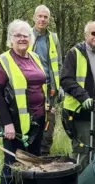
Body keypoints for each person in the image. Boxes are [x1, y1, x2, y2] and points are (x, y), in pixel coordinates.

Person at [0, 19, 47, 184]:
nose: (22, 39)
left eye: (25, 35)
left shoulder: (34, 57)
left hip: (38, 120)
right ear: (11, 39)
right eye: (18, 35)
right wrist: (7, 124)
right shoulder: (5, 61)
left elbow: (41, 84)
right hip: (15, 124)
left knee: (33, 162)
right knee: (11, 166)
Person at [61, 21, 95, 168]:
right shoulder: (75, 53)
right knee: (82, 151)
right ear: (86, 35)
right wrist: (83, 96)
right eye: (94, 33)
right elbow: (65, 80)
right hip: (81, 112)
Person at [29, 5, 63, 156]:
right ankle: (29, 163)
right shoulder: (26, 36)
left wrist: (60, 86)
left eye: (45, 17)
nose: (42, 19)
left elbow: (59, 64)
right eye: (40, 16)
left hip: (50, 90)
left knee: (48, 129)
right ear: (34, 17)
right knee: (31, 128)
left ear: (49, 20)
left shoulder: (53, 38)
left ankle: (43, 161)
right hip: (31, 90)